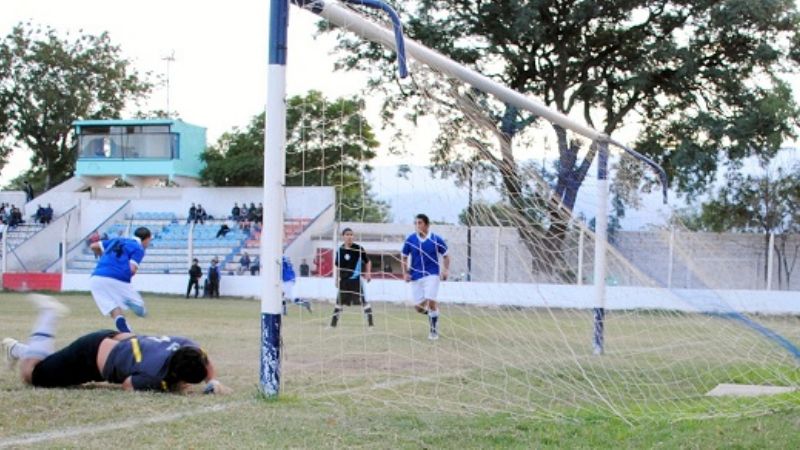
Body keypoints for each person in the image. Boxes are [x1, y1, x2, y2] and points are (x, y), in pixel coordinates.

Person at [2, 294, 231, 394]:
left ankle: (16, 349)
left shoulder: (186, 345)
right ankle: (48, 314)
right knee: (33, 375)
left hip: (111, 340)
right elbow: (129, 384)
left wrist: (212, 381)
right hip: (89, 358)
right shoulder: (154, 374)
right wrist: (170, 389)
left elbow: (205, 360)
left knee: (49, 363)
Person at [89, 227, 152, 333]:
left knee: (113, 309)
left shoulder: (116, 240)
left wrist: (105, 256)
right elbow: (132, 269)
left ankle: (127, 332)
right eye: (149, 241)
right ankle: (132, 302)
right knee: (141, 310)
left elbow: (93, 246)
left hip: (96, 277)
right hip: (117, 277)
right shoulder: (138, 248)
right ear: (145, 239)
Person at [401, 214, 450, 340]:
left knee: (430, 299)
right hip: (416, 276)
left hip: (432, 274)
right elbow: (404, 256)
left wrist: (445, 270)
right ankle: (434, 316)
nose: (418, 225)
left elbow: (446, 255)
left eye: (420, 223)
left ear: (427, 225)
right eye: (416, 223)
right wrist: (405, 272)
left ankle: (433, 331)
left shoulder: (435, 239)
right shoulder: (410, 239)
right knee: (418, 308)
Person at [330, 228, 373, 328]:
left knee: (363, 301)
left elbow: (368, 261)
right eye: (347, 235)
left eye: (351, 235)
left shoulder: (358, 248)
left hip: (356, 280)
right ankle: (333, 325)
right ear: (343, 236)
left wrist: (368, 273)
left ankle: (371, 324)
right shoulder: (340, 250)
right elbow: (338, 266)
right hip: (344, 281)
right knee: (339, 303)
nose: (349, 237)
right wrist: (336, 279)